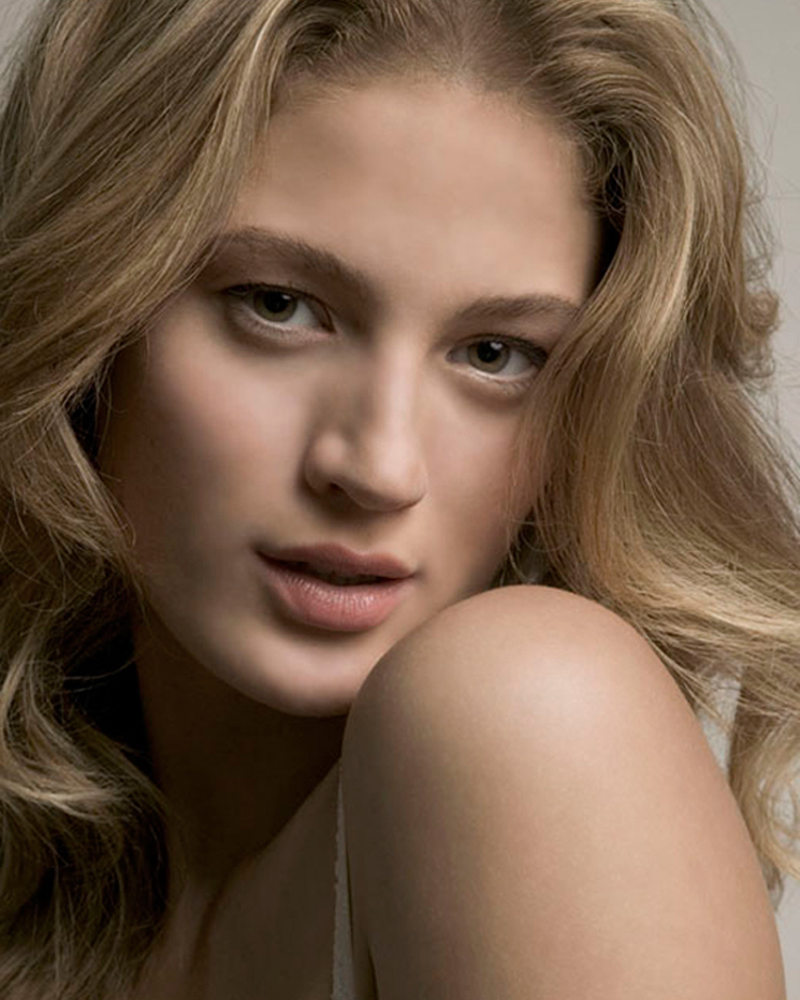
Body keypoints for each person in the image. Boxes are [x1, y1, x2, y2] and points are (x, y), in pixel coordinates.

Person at [0, 0, 797, 996]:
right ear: (88, 307)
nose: (377, 466)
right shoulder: (53, 898)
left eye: (495, 354)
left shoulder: (529, 710)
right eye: (278, 306)